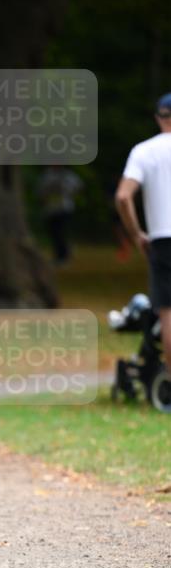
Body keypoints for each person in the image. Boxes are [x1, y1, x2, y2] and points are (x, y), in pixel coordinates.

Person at [116, 92, 171, 374]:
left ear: (158, 118)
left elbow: (124, 196)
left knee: (168, 313)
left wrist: (137, 233)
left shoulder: (145, 151)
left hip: (163, 239)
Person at [37, 165, 83, 266]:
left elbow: (78, 186)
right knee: (54, 233)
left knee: (61, 232)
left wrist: (70, 194)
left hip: (64, 208)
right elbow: (41, 191)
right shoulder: (48, 175)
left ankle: (63, 256)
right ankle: (60, 255)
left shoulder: (67, 175)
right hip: (51, 208)